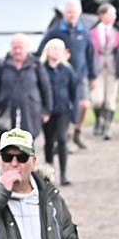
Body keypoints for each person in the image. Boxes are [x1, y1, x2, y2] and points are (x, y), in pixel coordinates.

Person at [37, 3, 95, 150]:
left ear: (78, 14)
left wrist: (93, 75)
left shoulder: (84, 32)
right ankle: (65, 137)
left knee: (83, 105)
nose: (71, 15)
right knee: (65, 106)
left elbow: (90, 54)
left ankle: (77, 132)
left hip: (80, 75)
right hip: (62, 75)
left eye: (74, 13)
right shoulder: (55, 31)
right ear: (64, 14)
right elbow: (42, 49)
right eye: (68, 12)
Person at [0, 34, 51, 138]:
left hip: (30, 111)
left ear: (27, 48)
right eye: (15, 48)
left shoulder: (36, 64)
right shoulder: (2, 64)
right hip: (6, 111)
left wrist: (46, 110)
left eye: (21, 48)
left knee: (27, 144)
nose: (18, 51)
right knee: (7, 145)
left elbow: (45, 88)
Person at [40, 39, 78, 186]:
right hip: (47, 112)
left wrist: (74, 113)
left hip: (63, 111)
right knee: (49, 142)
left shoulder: (67, 70)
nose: (56, 52)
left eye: (59, 49)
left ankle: (63, 174)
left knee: (62, 140)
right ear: (48, 51)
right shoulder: (41, 69)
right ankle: (49, 173)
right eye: (53, 49)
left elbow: (74, 93)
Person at [89, 3, 119, 140]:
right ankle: (99, 120)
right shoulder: (92, 32)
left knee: (110, 100)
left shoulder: (118, 32)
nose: (113, 17)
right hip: (97, 68)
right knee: (97, 100)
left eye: (114, 14)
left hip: (112, 69)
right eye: (110, 13)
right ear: (101, 15)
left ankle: (107, 127)